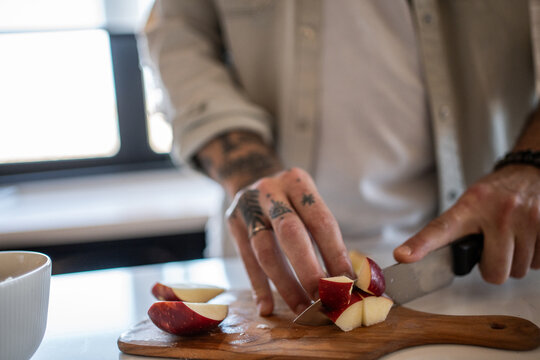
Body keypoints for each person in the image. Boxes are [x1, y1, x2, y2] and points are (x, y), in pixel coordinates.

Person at [141, 0, 540, 316]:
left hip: (489, 265)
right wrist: (249, 171)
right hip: (268, 272)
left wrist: (530, 164)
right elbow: (180, 37)